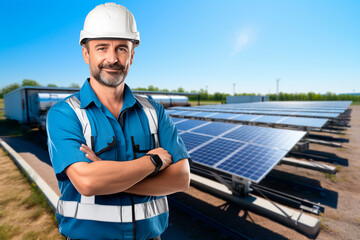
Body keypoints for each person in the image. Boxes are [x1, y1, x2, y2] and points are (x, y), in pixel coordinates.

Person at [46, 3, 191, 240]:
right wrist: (153, 161)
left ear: (132, 55)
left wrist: (110, 177)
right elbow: (88, 181)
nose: (112, 59)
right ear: (86, 53)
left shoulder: (154, 111)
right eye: (102, 48)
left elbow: (181, 179)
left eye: (122, 49)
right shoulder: (65, 114)